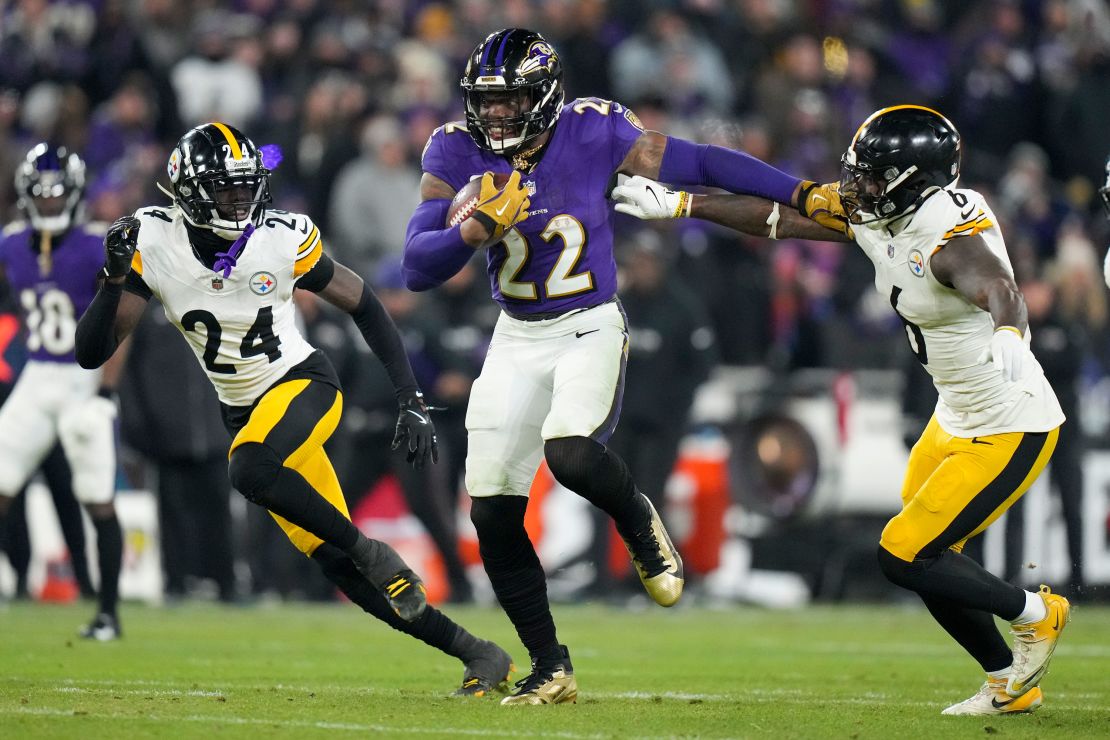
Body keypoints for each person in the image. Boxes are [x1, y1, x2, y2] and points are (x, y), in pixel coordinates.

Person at [611, 105, 1073, 716]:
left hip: (1009, 424)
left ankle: (1038, 613)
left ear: (914, 180)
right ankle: (1007, 681)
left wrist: (1011, 333)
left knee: (905, 552)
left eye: (873, 177)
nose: (858, 188)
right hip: (954, 415)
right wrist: (684, 205)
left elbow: (998, 287)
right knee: (928, 558)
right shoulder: (886, 210)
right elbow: (782, 216)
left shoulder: (941, 238)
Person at [401, 28, 805, 704]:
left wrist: (798, 191)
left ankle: (637, 515)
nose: (496, 115)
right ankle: (549, 665)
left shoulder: (591, 129)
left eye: (511, 101)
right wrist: (470, 231)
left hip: (587, 322)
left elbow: (698, 161)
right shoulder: (452, 148)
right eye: (487, 102)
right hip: (516, 334)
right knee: (493, 510)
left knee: (571, 453)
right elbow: (417, 265)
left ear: (544, 97)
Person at [74, 122, 512, 696]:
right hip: (246, 412)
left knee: (249, 467)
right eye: (226, 189)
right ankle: (477, 652)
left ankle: (373, 551)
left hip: (303, 385)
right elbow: (92, 352)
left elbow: (365, 303)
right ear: (189, 193)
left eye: (245, 185)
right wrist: (111, 280)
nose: (241, 198)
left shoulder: (280, 238)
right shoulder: (154, 241)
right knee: (337, 567)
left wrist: (410, 396)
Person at [0, 143, 127, 639]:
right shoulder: (11, 243)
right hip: (36, 374)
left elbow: (119, 322)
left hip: (81, 378)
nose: (49, 204)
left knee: (98, 498)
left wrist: (106, 391)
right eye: (41, 195)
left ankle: (108, 613)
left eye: (57, 195)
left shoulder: (98, 243)